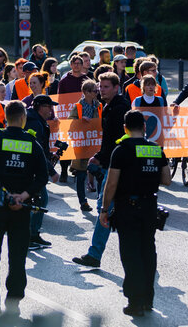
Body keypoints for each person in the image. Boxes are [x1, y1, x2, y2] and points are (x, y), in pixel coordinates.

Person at [0, 100, 49, 315]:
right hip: (22, 208)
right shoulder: (32, 143)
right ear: (23, 118)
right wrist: (23, 196)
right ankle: (13, 301)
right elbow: (43, 176)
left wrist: (5, 194)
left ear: (6, 117)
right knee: (18, 256)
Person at [99, 111, 171, 316]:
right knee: (148, 251)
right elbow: (166, 179)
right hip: (150, 207)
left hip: (127, 207)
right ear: (145, 127)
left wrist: (105, 209)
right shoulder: (156, 149)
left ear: (125, 128)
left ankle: (135, 302)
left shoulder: (121, 150)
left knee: (131, 254)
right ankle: (148, 299)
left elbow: (111, 183)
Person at [72, 72, 131, 268]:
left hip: (118, 167)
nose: (101, 90)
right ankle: (97, 254)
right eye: (100, 86)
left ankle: (97, 254)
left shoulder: (120, 108)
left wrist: (102, 158)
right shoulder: (108, 106)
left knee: (105, 209)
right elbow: (108, 142)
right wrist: (98, 156)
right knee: (110, 211)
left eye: (106, 87)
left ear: (116, 87)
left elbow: (117, 142)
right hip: (110, 163)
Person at [24, 95, 60, 249]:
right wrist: (51, 171)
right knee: (41, 200)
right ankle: (30, 236)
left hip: (33, 167)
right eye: (49, 106)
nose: (51, 110)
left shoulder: (37, 121)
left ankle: (33, 234)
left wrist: (50, 156)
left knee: (39, 200)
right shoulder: (35, 123)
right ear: (40, 107)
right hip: (32, 169)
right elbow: (36, 149)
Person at [68, 80, 102, 212]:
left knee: (99, 173)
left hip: (94, 144)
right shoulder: (78, 106)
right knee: (81, 175)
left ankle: (100, 199)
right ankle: (83, 202)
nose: (97, 93)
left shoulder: (98, 105)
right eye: (94, 91)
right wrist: (80, 121)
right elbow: (70, 124)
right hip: (82, 145)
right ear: (86, 92)